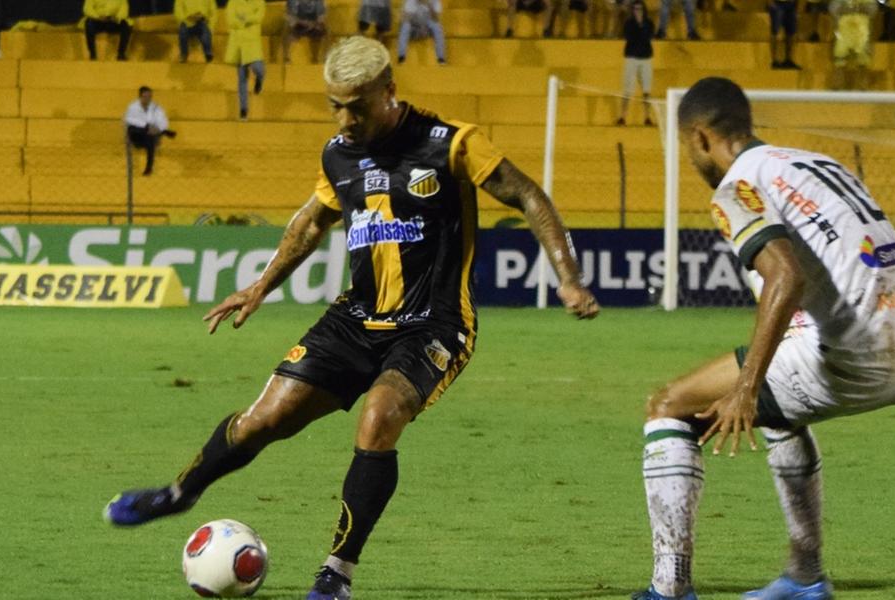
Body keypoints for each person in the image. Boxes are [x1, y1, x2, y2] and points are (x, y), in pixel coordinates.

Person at [103, 36, 601, 600]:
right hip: (358, 318)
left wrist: (569, 276)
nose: (343, 119)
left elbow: (530, 196)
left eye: (356, 106)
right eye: (334, 105)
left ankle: (336, 574)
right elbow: (312, 222)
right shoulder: (338, 153)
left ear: (389, 92)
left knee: (378, 416)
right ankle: (181, 493)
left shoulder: (452, 144)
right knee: (262, 421)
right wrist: (260, 286)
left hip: (434, 324)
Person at [631, 77, 895, 600]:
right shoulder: (817, 166)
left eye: (688, 146)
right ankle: (804, 575)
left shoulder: (738, 187)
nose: (691, 159)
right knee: (782, 411)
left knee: (669, 405)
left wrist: (746, 388)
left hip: (858, 358)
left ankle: (670, 589)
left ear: (701, 137)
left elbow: (785, 277)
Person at [225, 0, 266, 121]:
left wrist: (244, 18)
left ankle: (259, 80)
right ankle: (243, 109)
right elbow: (230, 20)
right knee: (242, 78)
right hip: (238, 43)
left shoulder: (259, 2)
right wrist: (248, 19)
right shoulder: (233, 2)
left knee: (258, 68)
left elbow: (259, 17)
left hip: (252, 42)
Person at [124, 86, 177, 176]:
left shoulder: (156, 107)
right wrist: (147, 126)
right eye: (145, 97)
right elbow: (129, 119)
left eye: (149, 97)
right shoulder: (133, 107)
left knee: (151, 140)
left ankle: (148, 168)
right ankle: (164, 132)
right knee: (133, 128)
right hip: (136, 135)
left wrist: (157, 128)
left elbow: (163, 120)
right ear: (140, 97)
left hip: (149, 135)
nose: (147, 99)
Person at [618, 0, 655, 125]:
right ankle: (622, 116)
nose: (638, 11)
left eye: (640, 9)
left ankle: (647, 117)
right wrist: (639, 26)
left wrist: (641, 25)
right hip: (632, 57)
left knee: (646, 90)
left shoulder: (649, 23)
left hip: (645, 58)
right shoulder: (628, 23)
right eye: (635, 9)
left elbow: (648, 37)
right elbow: (629, 37)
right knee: (627, 89)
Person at [829, 0, 877, 90]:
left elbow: (873, 10)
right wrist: (849, 8)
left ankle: (863, 88)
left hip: (862, 28)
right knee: (840, 59)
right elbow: (833, 8)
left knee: (863, 60)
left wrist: (858, 8)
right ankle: (837, 87)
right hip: (844, 28)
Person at [397, 0, 447, 64]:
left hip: (427, 28)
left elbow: (436, 18)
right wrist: (418, 24)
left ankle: (441, 58)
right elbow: (406, 18)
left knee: (437, 27)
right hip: (414, 27)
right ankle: (401, 57)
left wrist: (429, 5)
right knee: (405, 26)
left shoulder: (435, 1)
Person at [768, 0, 800, 67]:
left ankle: (788, 60)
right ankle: (774, 61)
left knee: (790, 32)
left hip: (791, 4)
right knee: (776, 31)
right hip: (777, 3)